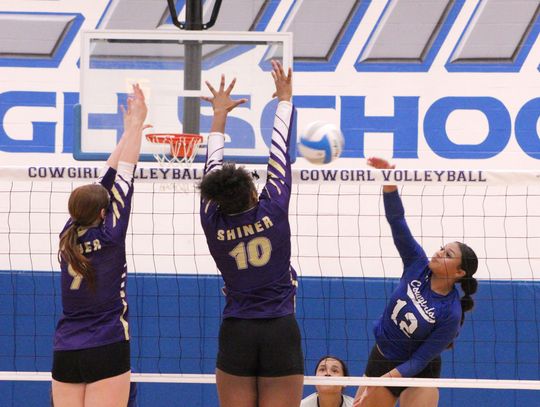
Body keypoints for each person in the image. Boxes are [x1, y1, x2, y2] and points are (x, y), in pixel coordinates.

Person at [198, 60, 304, 407]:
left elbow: (211, 168)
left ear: (215, 199)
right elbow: (279, 152)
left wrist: (218, 116)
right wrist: (284, 98)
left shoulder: (212, 220)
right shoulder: (272, 209)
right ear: (254, 193)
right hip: (280, 331)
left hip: (237, 331)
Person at [354, 157, 479, 407]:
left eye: (448, 255)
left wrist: (383, 382)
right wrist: (389, 183)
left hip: (420, 367)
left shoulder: (450, 312)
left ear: (459, 273)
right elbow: (397, 222)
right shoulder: (417, 264)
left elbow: (419, 360)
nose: (439, 252)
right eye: (442, 248)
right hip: (383, 356)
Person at [51, 84, 148, 407]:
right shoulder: (110, 236)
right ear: (104, 212)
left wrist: (128, 131)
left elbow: (107, 178)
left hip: (66, 350)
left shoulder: (68, 236)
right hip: (107, 345)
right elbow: (123, 175)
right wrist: (135, 127)